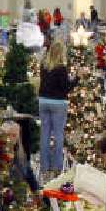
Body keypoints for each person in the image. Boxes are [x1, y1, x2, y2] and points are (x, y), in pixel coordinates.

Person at [37, 41, 72, 176]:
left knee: (44, 135)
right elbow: (66, 88)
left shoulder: (43, 66)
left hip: (43, 101)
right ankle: (57, 167)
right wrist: (77, 79)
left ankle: (44, 168)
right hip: (58, 103)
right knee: (58, 135)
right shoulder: (61, 68)